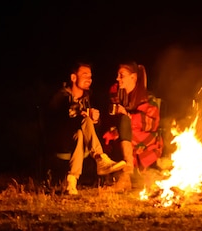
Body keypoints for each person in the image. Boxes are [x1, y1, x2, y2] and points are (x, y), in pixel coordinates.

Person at [46, 62, 125, 195]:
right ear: (73, 77)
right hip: (60, 141)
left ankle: (71, 182)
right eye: (84, 74)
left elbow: (92, 128)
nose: (89, 78)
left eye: (90, 75)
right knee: (82, 123)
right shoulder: (61, 95)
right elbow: (66, 112)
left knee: (80, 133)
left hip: (79, 141)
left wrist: (95, 120)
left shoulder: (87, 98)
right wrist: (85, 114)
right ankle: (100, 157)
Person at [102, 61, 163, 192]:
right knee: (116, 129)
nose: (117, 78)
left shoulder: (147, 97)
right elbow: (111, 117)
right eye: (117, 75)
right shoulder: (115, 92)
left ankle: (126, 175)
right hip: (121, 135)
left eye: (121, 75)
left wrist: (128, 117)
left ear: (133, 77)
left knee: (125, 121)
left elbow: (152, 123)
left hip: (144, 138)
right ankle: (126, 176)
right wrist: (113, 127)